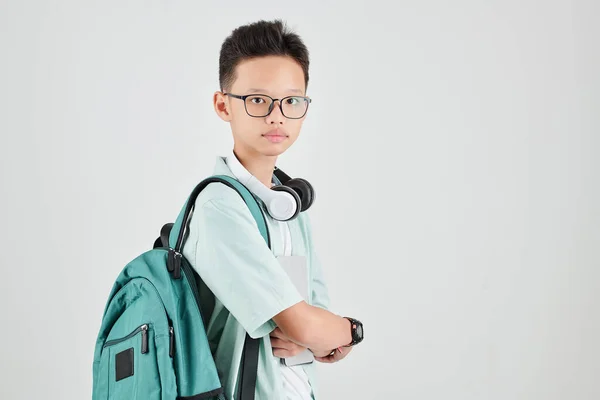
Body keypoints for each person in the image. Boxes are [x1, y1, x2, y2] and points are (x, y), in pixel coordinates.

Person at [181, 19, 364, 400]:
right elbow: (308, 325)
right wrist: (349, 329)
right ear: (222, 105)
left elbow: (316, 328)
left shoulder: (290, 206)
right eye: (257, 100)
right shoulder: (219, 206)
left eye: (291, 100)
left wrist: (319, 333)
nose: (276, 115)